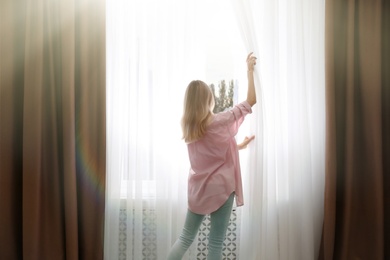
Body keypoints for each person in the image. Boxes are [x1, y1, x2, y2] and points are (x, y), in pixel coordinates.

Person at [167, 52, 257, 260]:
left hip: (198, 189)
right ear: (208, 99)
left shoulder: (189, 127)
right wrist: (249, 70)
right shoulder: (220, 121)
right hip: (221, 188)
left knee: (185, 238)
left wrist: (239, 146)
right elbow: (251, 100)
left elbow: (211, 151)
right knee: (215, 244)